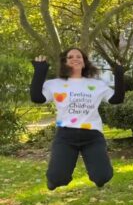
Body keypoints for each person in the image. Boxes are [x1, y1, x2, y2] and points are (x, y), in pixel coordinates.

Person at [30, 48, 125, 190]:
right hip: (65, 136)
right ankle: (54, 181)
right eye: (70, 57)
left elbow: (117, 99)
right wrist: (40, 70)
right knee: (58, 178)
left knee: (102, 176)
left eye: (79, 56)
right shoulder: (55, 84)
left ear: (84, 62)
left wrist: (119, 74)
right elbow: (37, 98)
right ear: (65, 62)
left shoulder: (97, 84)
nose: (75, 58)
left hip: (92, 136)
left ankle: (99, 178)